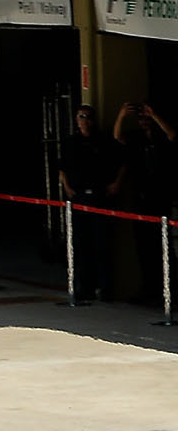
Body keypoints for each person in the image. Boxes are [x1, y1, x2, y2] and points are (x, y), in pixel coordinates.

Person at [59, 103, 122, 304]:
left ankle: (105, 289)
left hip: (100, 196)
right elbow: (62, 167)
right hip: (78, 197)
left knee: (102, 244)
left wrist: (116, 184)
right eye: (80, 116)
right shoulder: (70, 142)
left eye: (87, 117)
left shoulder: (103, 141)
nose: (84, 121)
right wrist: (67, 188)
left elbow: (122, 160)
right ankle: (83, 288)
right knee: (81, 243)